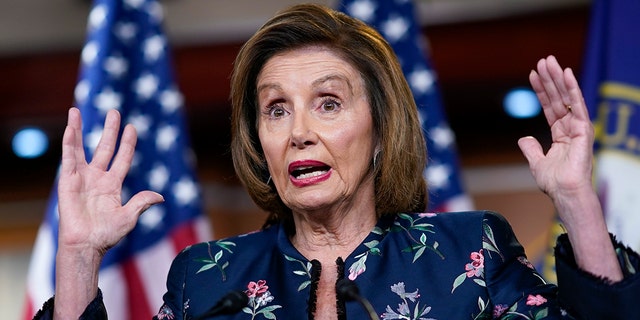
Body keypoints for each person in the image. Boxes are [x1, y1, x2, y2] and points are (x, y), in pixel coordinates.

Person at [35, 3, 638, 320]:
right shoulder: (208, 279)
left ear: (380, 131)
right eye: (275, 110)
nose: (299, 132)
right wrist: (79, 257)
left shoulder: (469, 254)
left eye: (327, 103)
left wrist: (576, 203)